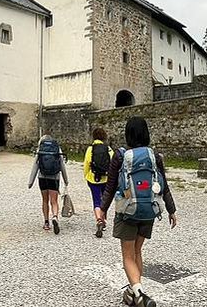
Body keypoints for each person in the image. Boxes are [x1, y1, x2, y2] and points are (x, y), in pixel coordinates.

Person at [100, 117, 177, 307]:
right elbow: (164, 185)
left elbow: (110, 187)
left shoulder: (120, 155)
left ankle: (140, 294)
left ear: (127, 134)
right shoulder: (154, 156)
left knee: (127, 255)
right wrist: (171, 210)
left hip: (127, 211)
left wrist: (102, 210)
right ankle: (133, 291)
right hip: (148, 211)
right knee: (137, 251)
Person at [28, 133, 69, 234]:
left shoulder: (40, 149)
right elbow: (62, 165)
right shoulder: (57, 148)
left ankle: (46, 222)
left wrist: (30, 182)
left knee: (45, 200)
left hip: (42, 177)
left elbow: (35, 165)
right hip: (54, 177)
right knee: (54, 201)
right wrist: (66, 180)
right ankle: (55, 217)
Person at [83, 127, 114, 238]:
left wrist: (86, 176)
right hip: (106, 178)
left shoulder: (90, 149)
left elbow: (86, 164)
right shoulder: (109, 149)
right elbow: (113, 163)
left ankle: (99, 220)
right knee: (105, 200)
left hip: (93, 178)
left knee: (96, 200)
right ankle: (104, 219)